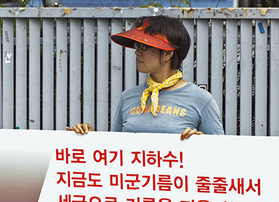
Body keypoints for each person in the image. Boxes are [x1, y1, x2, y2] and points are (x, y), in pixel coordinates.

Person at [68, 15, 224, 138]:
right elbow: (115, 151)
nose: (137, 52)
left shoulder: (201, 100)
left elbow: (221, 156)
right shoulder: (128, 97)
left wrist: (203, 143)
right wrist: (88, 138)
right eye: (137, 46)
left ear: (167, 53)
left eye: (144, 46)